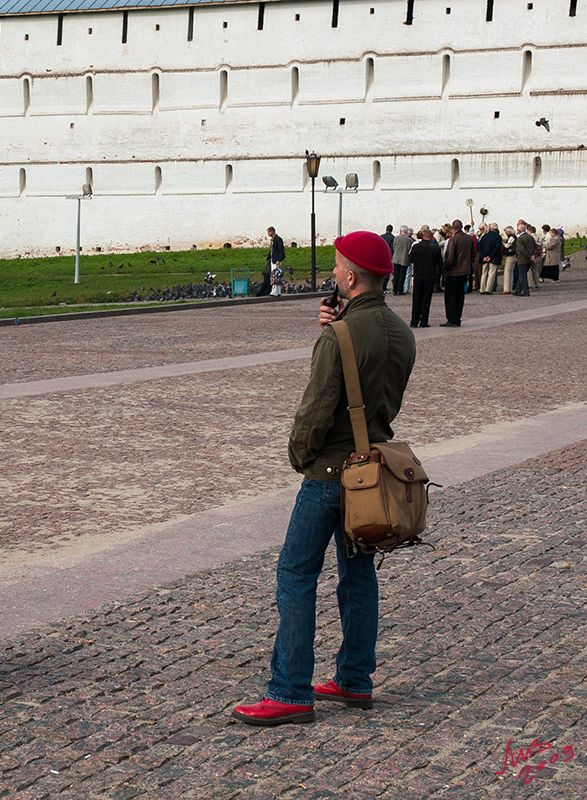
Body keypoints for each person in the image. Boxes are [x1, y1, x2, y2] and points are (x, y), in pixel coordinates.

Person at [231, 230, 415, 726]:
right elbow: (371, 387)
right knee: (357, 579)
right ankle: (354, 680)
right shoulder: (404, 332)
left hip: (329, 477)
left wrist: (299, 457)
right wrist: (338, 329)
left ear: (351, 277)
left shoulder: (339, 337)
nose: (333, 273)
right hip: (371, 477)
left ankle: (289, 690)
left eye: (337, 267)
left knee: (295, 575)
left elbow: (315, 412)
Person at [442, 219, 474, 326]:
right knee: (460, 296)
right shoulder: (469, 238)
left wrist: (445, 267)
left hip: (454, 272)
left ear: (452, 228)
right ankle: (458, 318)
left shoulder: (453, 240)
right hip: (465, 271)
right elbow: (473, 254)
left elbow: (450, 257)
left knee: (450, 296)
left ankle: (452, 319)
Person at [409, 226, 442, 327]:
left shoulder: (416, 247)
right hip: (429, 276)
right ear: (432, 238)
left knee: (416, 298)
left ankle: (414, 321)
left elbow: (410, 259)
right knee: (426, 299)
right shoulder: (435, 248)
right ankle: (424, 321)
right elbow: (439, 262)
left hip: (418, 275)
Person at [478, 223, 503, 294]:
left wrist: (483, 256)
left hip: (484, 256)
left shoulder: (484, 236)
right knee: (491, 273)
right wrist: (490, 256)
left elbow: (480, 247)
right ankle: (488, 289)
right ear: (496, 229)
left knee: (484, 273)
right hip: (493, 257)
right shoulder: (497, 236)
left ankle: (482, 289)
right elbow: (497, 247)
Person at [514, 221, 535, 297]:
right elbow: (535, 247)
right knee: (522, 275)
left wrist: (529, 256)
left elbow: (522, 250)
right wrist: (533, 255)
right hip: (530, 260)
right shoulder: (530, 237)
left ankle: (525, 291)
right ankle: (518, 290)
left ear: (519, 231)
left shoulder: (520, 239)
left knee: (523, 276)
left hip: (522, 259)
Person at [263, 227, 285, 297]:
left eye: (268, 232)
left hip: (276, 260)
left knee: (274, 275)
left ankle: (274, 292)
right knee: (276, 275)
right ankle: (278, 291)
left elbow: (281, 250)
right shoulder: (274, 239)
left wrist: (279, 259)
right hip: (274, 259)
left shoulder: (277, 239)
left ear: (272, 232)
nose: (268, 234)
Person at [391, 226, 413, 295]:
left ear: (400, 231)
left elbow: (394, 247)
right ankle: (400, 289)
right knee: (402, 275)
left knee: (396, 274)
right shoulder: (409, 240)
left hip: (396, 258)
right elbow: (410, 250)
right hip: (404, 258)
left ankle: (395, 289)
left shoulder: (396, 238)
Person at [501, 226, 517, 294]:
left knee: (507, 272)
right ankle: (509, 287)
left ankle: (507, 289)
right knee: (510, 272)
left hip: (511, 256)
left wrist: (502, 242)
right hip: (514, 255)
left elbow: (507, 245)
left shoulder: (512, 237)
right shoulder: (514, 237)